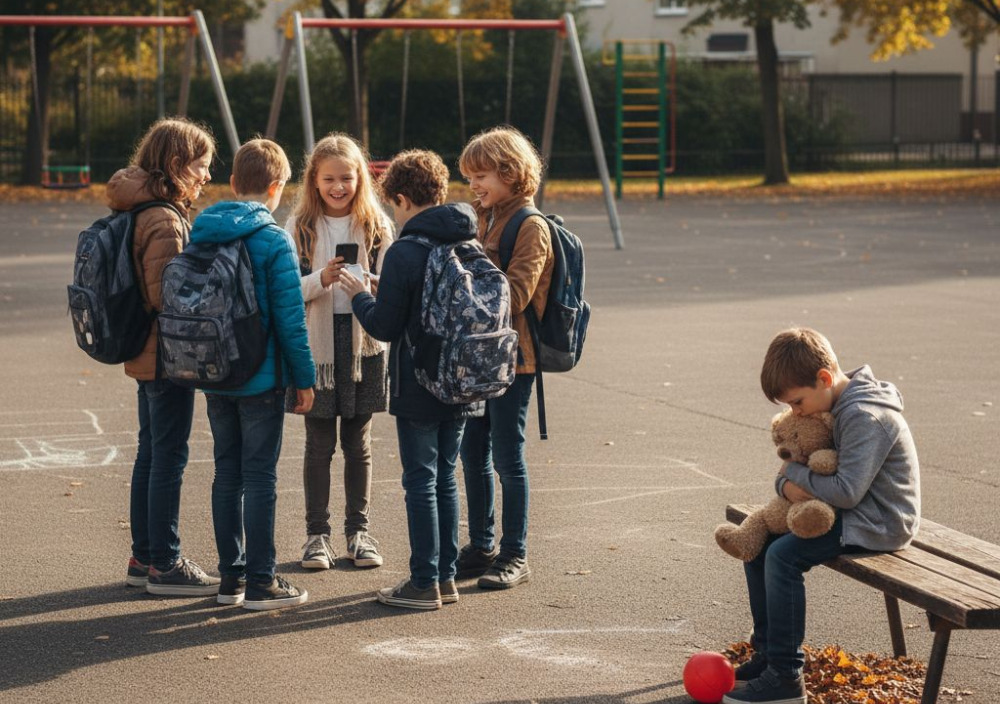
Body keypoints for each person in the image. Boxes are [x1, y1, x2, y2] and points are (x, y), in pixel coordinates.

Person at [722, 327, 920, 704]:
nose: (794, 413)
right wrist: (787, 485)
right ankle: (767, 655)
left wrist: (792, 477)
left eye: (797, 402)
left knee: (783, 556)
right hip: (846, 511)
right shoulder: (835, 406)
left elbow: (845, 492)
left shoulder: (864, 415)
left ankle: (785, 676)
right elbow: (795, 469)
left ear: (825, 379)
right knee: (761, 544)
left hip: (879, 522)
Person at [339, 149, 483, 610]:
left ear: (400, 198)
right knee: (445, 478)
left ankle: (423, 581)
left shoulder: (405, 250)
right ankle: (445, 579)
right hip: (463, 378)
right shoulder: (466, 241)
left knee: (419, 480)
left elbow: (383, 326)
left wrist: (362, 294)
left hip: (419, 380)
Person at [190, 138, 317, 611]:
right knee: (260, 476)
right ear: (276, 186)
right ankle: (262, 582)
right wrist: (304, 379)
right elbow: (290, 320)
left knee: (227, 472)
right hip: (261, 379)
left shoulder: (202, 232)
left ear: (233, 182)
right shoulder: (272, 239)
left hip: (213, 372)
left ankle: (231, 579)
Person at [107, 117, 220, 596]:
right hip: (166, 353)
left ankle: (143, 555)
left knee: (151, 451)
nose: (206, 176)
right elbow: (168, 295)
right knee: (168, 456)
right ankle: (165, 562)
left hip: (143, 350)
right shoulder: (165, 218)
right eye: (200, 166)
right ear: (176, 164)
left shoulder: (137, 207)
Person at [285, 133, 394, 571]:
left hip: (364, 344)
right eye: (329, 179)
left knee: (358, 443)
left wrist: (368, 283)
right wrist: (321, 280)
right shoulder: (299, 228)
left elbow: (393, 285)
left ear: (360, 178)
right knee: (318, 442)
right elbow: (286, 291)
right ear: (314, 180)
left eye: (346, 178)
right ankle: (317, 536)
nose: (338, 187)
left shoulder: (375, 224)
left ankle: (358, 532)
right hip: (319, 347)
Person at [454, 126, 554, 589]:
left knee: (506, 457)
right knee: (472, 452)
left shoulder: (530, 226)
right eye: (470, 176)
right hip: (477, 360)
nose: (474, 185)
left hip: (515, 361)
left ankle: (515, 554)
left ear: (511, 172)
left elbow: (515, 296)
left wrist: (466, 271)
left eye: (482, 175)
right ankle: (482, 545)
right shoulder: (483, 217)